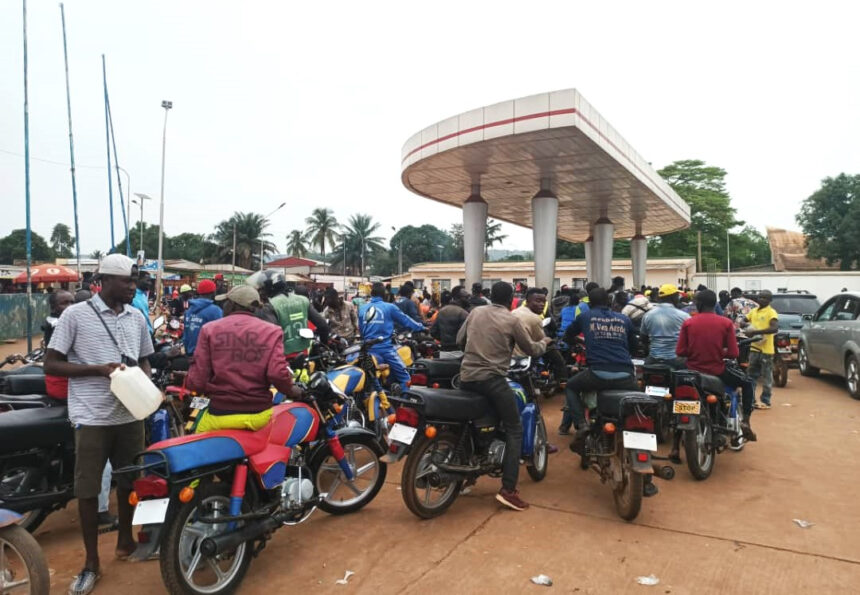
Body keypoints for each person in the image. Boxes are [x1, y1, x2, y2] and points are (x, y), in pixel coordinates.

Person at [44, 254, 154, 595]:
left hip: (129, 416)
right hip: (92, 416)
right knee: (89, 490)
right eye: (127, 281)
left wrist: (143, 387)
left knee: (129, 482)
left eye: (134, 280)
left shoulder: (136, 317)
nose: (133, 286)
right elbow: (51, 364)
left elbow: (145, 359)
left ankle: (125, 542)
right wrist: (96, 370)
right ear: (105, 281)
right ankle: (91, 563)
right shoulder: (75, 316)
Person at [456, 281, 551, 511]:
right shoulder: (511, 320)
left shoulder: (476, 312)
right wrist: (545, 342)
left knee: (469, 423)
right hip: (493, 380)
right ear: (512, 300)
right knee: (514, 429)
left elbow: (460, 340)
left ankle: (466, 474)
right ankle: (508, 490)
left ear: (490, 297)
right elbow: (530, 349)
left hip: (466, 377)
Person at [186, 285, 301, 432]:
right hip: (259, 416)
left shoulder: (209, 329)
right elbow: (277, 374)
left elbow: (197, 381)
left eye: (226, 302)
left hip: (219, 416)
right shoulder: (272, 331)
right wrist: (292, 390)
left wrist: (191, 384)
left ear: (233, 305)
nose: (224, 306)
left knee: (195, 446)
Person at [676, 289, 757, 459]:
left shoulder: (689, 323)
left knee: (679, 403)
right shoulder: (725, 323)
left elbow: (680, 351)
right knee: (748, 382)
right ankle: (746, 421)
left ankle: (675, 446)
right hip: (717, 371)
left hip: (692, 372)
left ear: (699, 304)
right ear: (715, 304)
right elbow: (734, 353)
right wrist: (719, 352)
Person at [559, 288, 638, 440]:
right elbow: (634, 347)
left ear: (589, 303)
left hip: (597, 374)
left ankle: (582, 424)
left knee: (571, 386)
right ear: (609, 302)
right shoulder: (624, 319)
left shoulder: (585, 316)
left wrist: (577, 341)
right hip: (626, 375)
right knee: (639, 402)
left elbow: (568, 335)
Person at [358, 282, 425, 387]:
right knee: (405, 376)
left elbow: (361, 330)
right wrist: (422, 327)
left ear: (372, 294)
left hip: (366, 349)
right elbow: (406, 320)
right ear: (384, 295)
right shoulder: (389, 307)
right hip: (385, 349)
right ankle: (405, 400)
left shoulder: (362, 308)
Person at [513, 288, 567, 384]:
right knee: (559, 360)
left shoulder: (514, 312)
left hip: (512, 355)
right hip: (527, 353)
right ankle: (561, 383)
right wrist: (548, 340)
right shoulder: (535, 318)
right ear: (528, 301)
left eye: (543, 301)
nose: (542, 304)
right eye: (538, 301)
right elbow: (542, 340)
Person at [742, 290, 779, 409]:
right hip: (754, 348)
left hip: (766, 350)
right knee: (751, 375)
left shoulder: (771, 312)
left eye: (765, 298)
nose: (761, 300)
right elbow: (744, 321)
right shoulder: (753, 311)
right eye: (760, 297)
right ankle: (751, 399)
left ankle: (766, 400)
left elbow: (774, 328)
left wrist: (756, 332)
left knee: (766, 376)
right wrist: (745, 325)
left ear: (770, 300)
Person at [640, 284, 690, 369]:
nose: (678, 298)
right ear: (673, 297)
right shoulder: (684, 316)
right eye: (677, 295)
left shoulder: (648, 315)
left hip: (653, 358)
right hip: (675, 360)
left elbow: (643, 338)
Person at [182, 279, 223, 356]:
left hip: (191, 354)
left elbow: (186, 336)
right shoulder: (216, 311)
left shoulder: (189, 311)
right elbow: (221, 336)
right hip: (206, 357)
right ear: (213, 293)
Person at [430, 285, 469, 358]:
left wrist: (444, 340)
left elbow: (433, 332)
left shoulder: (442, 311)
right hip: (460, 354)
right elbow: (466, 336)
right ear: (459, 298)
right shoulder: (464, 313)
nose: (468, 299)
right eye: (466, 297)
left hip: (444, 352)